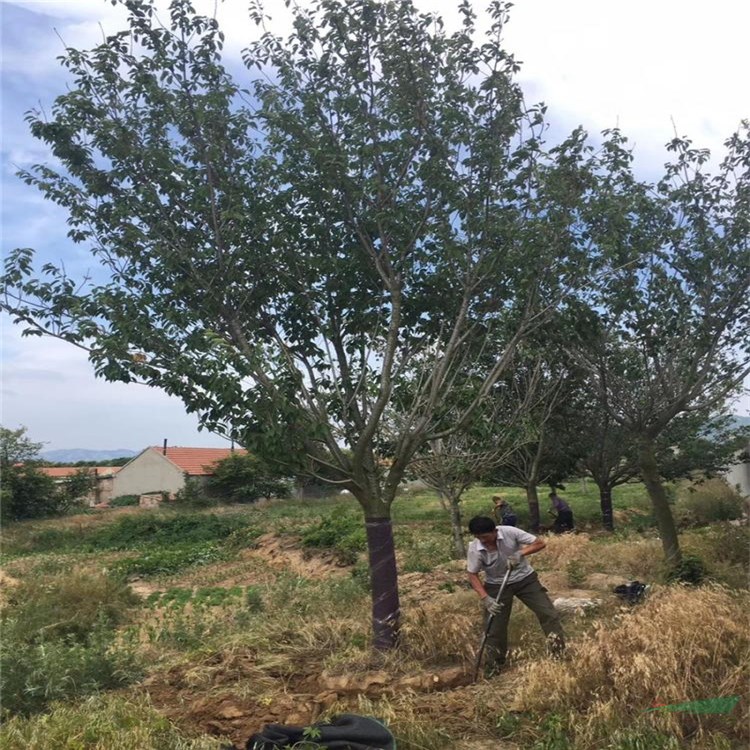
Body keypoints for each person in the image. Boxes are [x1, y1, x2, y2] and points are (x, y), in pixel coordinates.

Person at [467, 515, 564, 676]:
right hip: (496, 586)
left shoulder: (510, 532)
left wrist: (521, 553)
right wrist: (485, 598)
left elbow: (540, 543)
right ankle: (494, 666)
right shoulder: (475, 548)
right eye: (478, 537)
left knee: (549, 614)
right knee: (494, 627)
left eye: (485, 537)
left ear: (494, 531)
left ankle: (558, 655)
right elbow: (472, 575)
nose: (483, 541)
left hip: (526, 580)